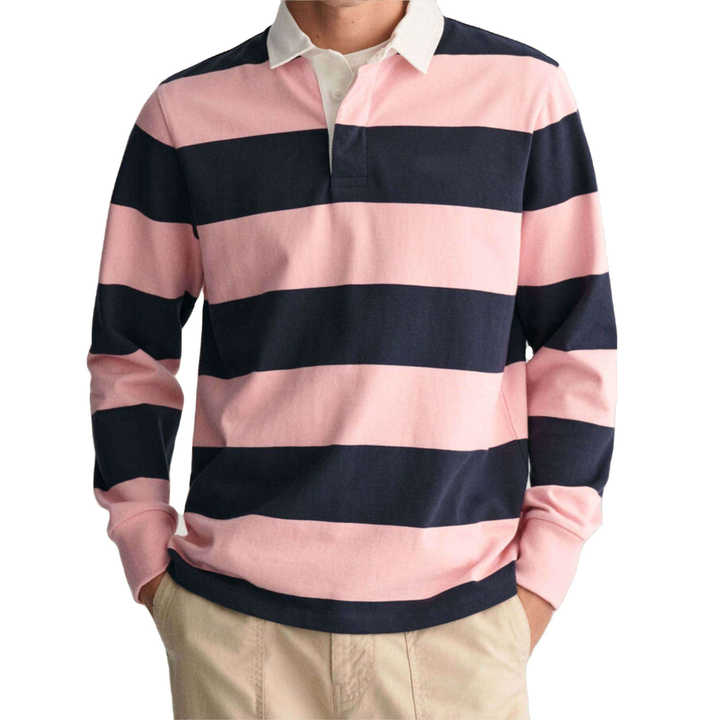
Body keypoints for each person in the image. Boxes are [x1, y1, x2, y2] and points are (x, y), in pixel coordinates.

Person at [88, 1, 616, 717]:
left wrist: (544, 574)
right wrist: (147, 558)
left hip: (461, 630)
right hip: (235, 636)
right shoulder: (183, 112)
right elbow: (130, 354)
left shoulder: (526, 93)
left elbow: (576, 345)